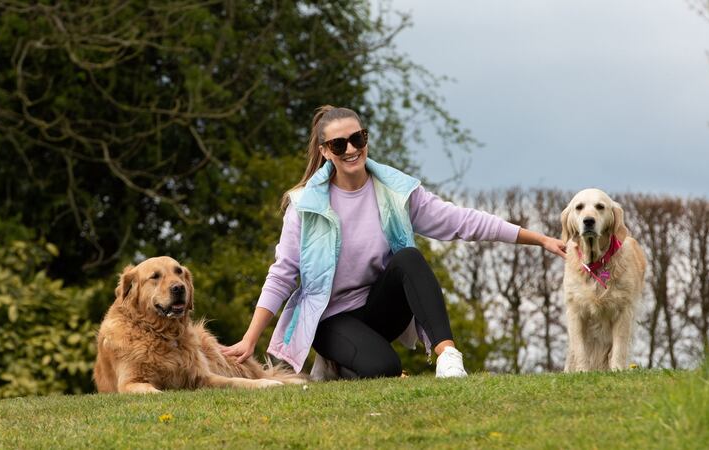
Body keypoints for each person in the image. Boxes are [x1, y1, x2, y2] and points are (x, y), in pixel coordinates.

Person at [222, 105, 566, 379]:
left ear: (365, 139)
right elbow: (282, 274)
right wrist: (250, 339)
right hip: (330, 319)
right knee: (382, 369)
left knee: (409, 259)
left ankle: (447, 356)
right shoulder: (305, 205)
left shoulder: (395, 191)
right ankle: (335, 360)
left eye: (358, 138)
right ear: (327, 152)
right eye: (340, 145)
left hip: (377, 308)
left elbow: (461, 221)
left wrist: (538, 239)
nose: (352, 149)